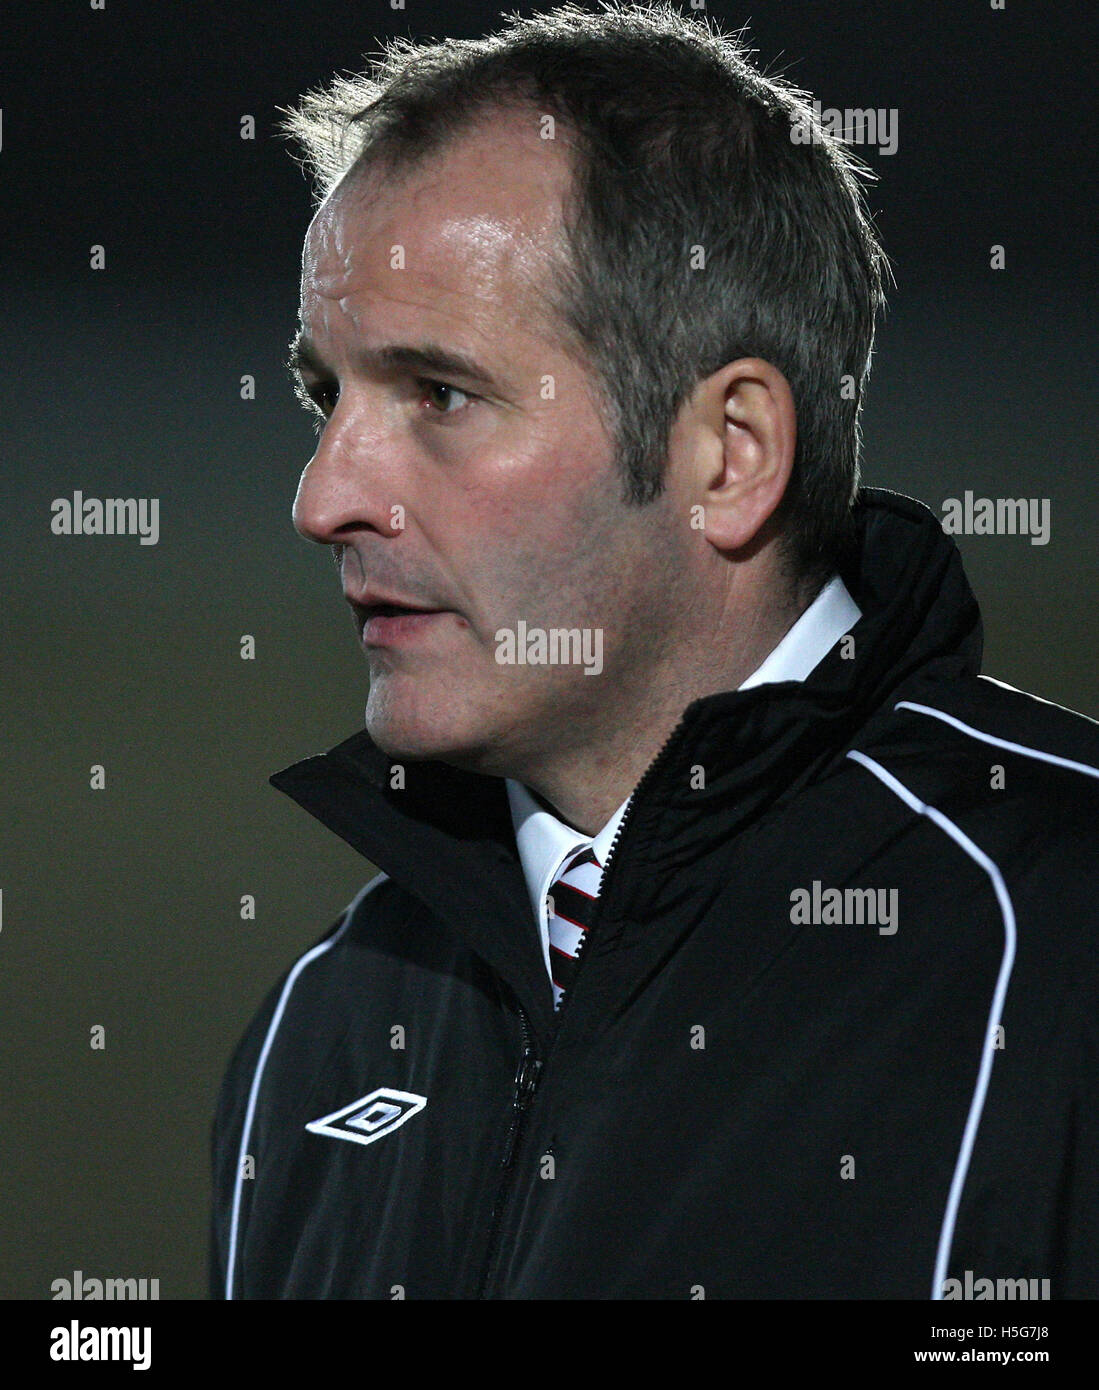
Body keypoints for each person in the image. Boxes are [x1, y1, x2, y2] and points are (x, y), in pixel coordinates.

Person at [209, 1, 1099, 1299]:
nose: (323, 496)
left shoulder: (1064, 946)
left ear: (728, 455)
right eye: (324, 395)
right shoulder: (326, 1023)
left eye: (440, 395)